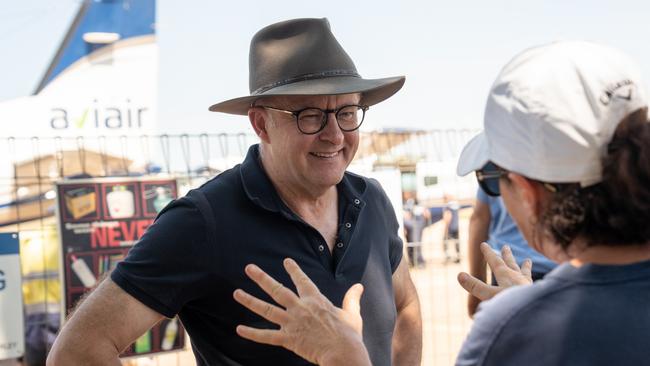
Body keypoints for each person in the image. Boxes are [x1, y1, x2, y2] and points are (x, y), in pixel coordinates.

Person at [232, 40, 650, 366]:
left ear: (527, 191)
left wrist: (346, 357)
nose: (335, 135)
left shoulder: (514, 334)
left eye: (490, 180)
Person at [47, 18, 422, 366]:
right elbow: (77, 351)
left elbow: (405, 305)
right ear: (262, 124)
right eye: (311, 115)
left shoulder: (371, 200)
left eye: (347, 112)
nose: (336, 135)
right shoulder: (204, 221)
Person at [466, 187, 556, 317]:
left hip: (507, 271)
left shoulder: (491, 171)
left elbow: (479, 219)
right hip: (558, 268)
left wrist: (476, 286)